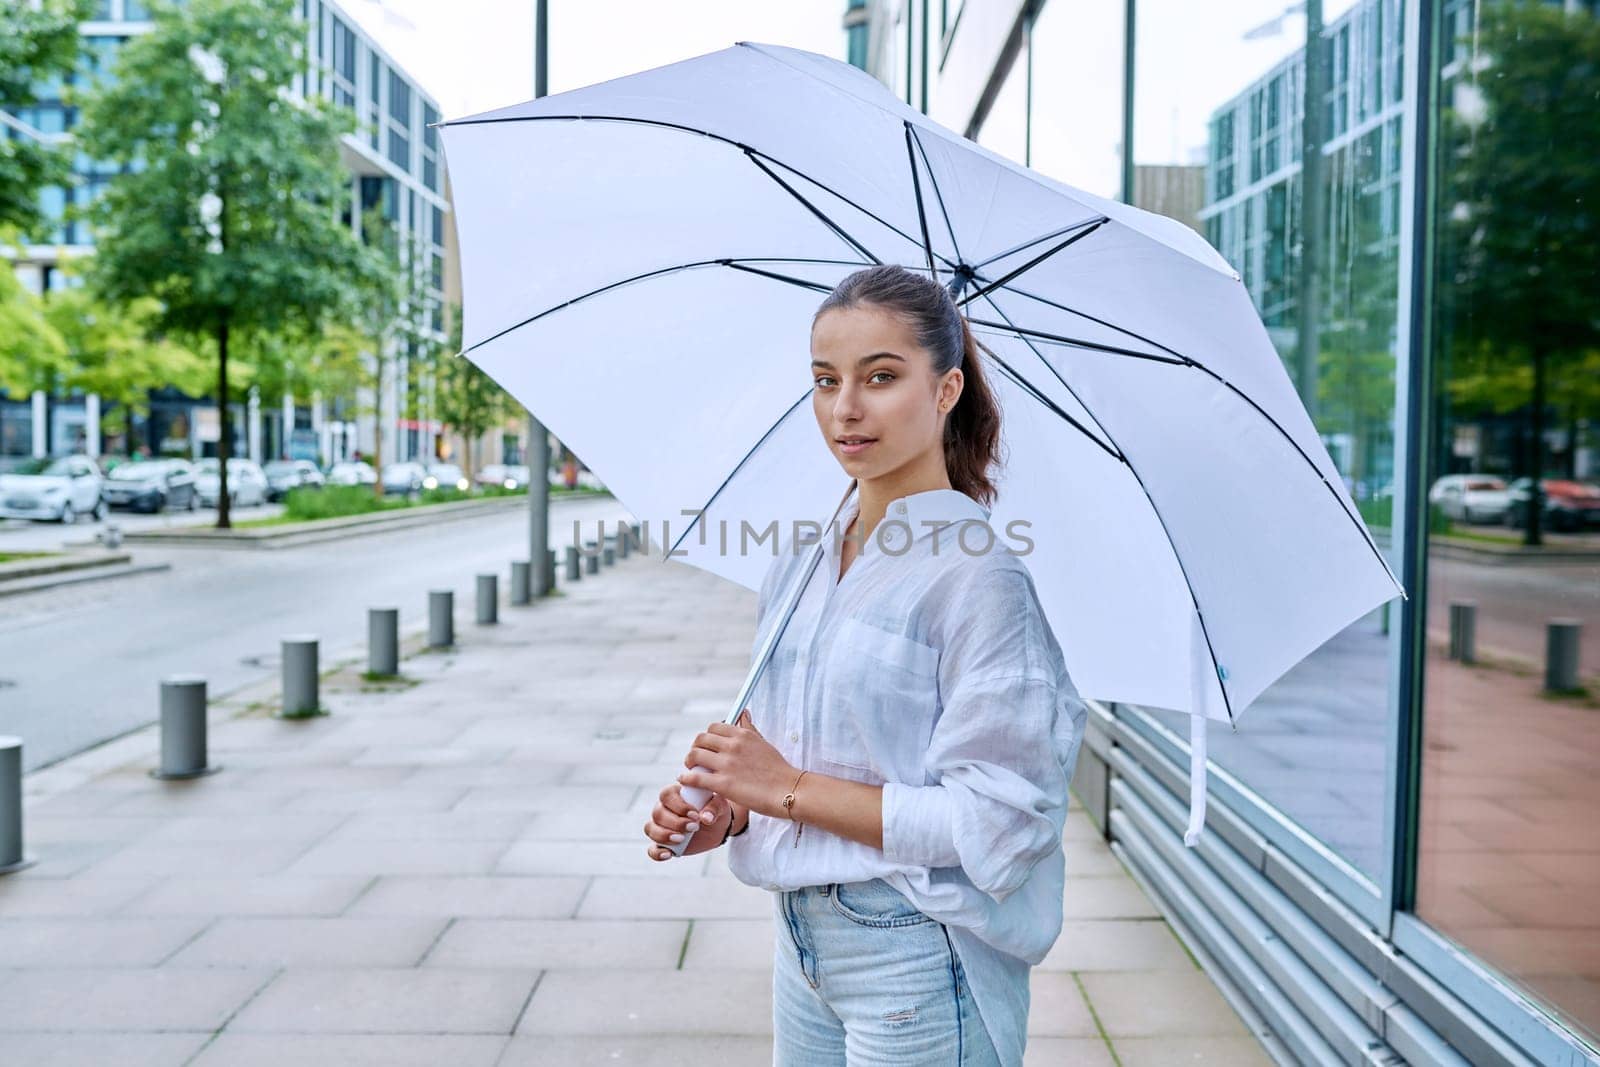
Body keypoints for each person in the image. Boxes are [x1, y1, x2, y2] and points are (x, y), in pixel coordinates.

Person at [641, 264, 1087, 1065]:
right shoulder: (804, 559)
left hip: (919, 954)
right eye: (825, 379)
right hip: (802, 950)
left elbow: (1004, 823)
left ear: (946, 389)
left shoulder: (980, 578)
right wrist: (734, 812)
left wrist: (783, 786)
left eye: (880, 377)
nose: (845, 407)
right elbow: (802, 752)